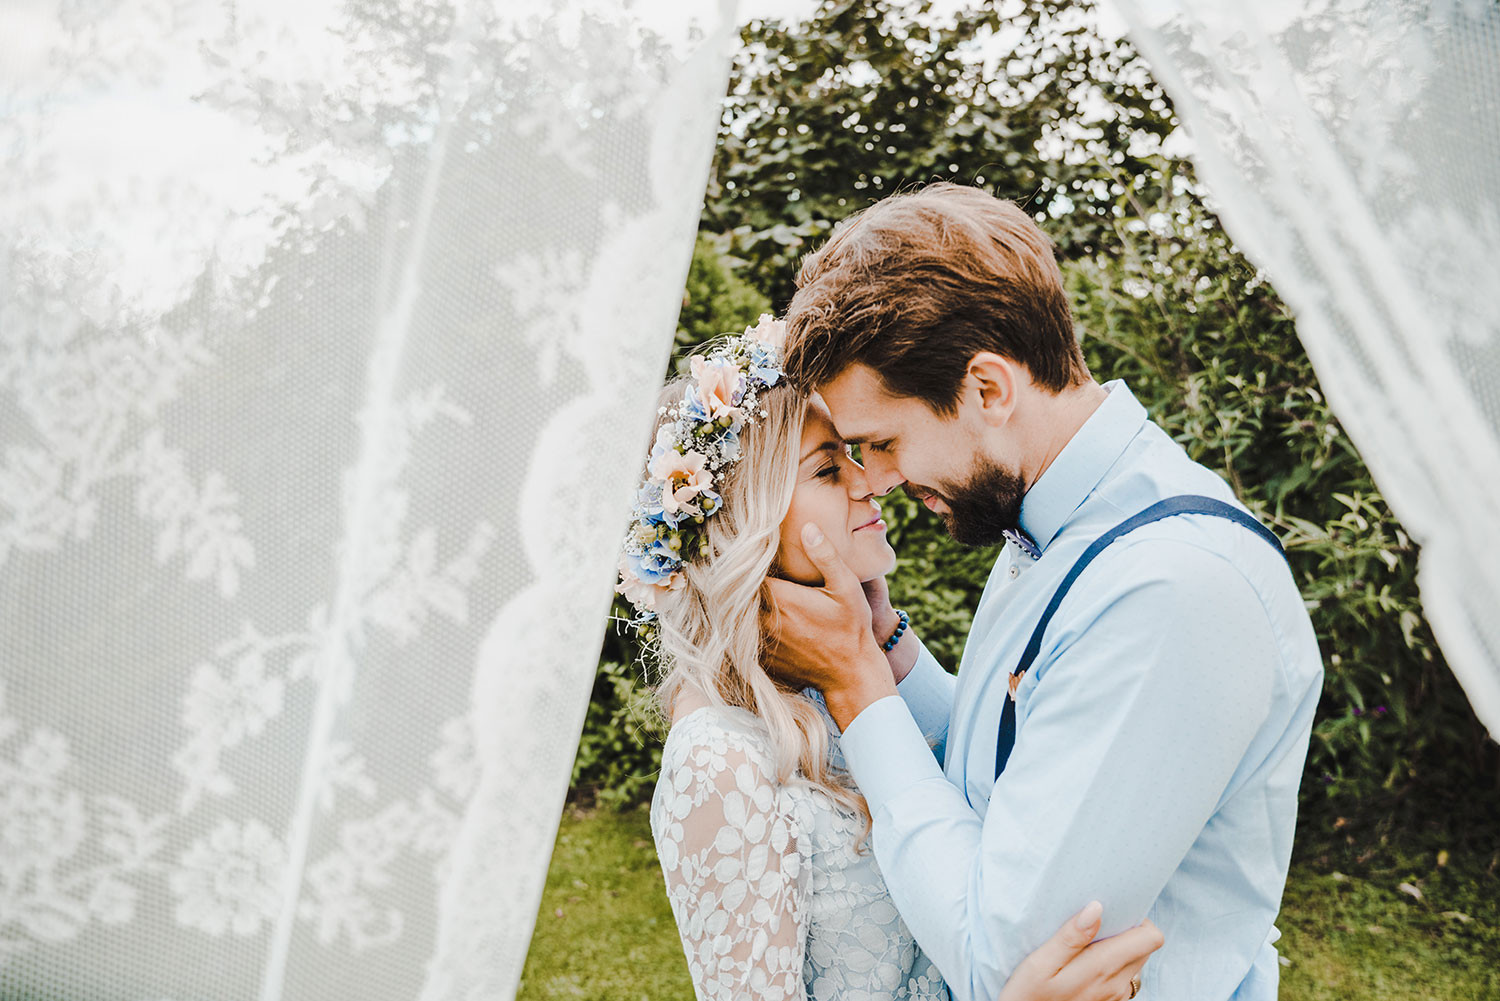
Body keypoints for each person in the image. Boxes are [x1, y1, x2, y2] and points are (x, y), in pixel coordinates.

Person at [762, 183, 1325, 1001]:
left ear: (988, 389)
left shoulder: (1168, 588)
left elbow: (999, 958)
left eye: (883, 443)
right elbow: (1023, 765)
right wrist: (887, 645)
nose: (875, 480)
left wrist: (856, 686)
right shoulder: (1060, 518)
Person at [619, 321, 1162, 1001]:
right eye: (826, 467)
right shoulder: (718, 760)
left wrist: (879, 637)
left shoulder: (843, 690)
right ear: (744, 523)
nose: (872, 479)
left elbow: (991, 778)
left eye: (855, 452)